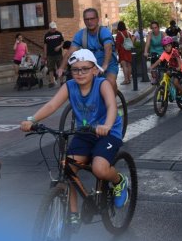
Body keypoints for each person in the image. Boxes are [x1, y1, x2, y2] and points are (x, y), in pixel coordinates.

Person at [20, 49, 127, 227]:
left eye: (85, 68)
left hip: (108, 133)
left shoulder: (102, 84)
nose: (80, 73)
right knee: (67, 167)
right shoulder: (69, 86)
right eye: (75, 69)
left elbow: (111, 106)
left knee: (99, 169)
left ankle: (119, 181)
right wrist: (32, 120)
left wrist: (107, 125)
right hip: (85, 133)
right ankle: (73, 214)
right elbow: (52, 104)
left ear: (95, 70)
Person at [57, 8, 119, 92]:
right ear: (84, 21)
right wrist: (61, 68)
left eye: (92, 18)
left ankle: (112, 103)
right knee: (83, 87)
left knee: (110, 82)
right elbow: (70, 52)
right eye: (87, 19)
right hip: (92, 66)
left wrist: (104, 66)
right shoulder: (80, 35)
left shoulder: (104, 32)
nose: (89, 21)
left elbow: (108, 49)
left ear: (97, 19)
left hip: (109, 64)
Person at [149, 37, 182, 106]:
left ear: (171, 45)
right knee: (164, 77)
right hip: (171, 68)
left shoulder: (175, 52)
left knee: (175, 82)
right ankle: (167, 92)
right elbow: (159, 61)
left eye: (168, 46)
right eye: (165, 47)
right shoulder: (164, 53)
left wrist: (178, 68)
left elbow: (179, 61)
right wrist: (152, 67)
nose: (167, 48)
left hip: (179, 69)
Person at [43, 21, 64, 88]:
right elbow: (45, 45)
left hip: (58, 54)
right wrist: (45, 54)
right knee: (50, 68)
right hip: (50, 54)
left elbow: (63, 42)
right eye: (53, 28)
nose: (54, 29)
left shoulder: (59, 33)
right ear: (49, 28)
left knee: (60, 67)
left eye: (55, 28)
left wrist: (59, 46)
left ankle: (61, 81)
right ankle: (52, 82)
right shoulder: (46, 35)